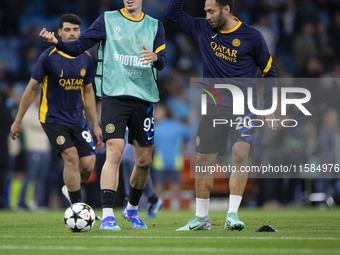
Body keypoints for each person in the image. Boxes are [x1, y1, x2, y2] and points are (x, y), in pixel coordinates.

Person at [39, 0, 166, 230]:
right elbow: (77, 47)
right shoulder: (107, 20)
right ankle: (108, 216)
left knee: (144, 162)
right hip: (114, 97)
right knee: (114, 153)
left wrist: (156, 59)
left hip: (144, 98)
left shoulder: (155, 25)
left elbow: (163, 60)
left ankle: (132, 210)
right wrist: (56, 42)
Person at [167, 0, 277, 231]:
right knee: (204, 162)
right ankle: (201, 218)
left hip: (243, 107)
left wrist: (268, 106)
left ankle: (232, 215)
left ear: (226, 9)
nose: (206, 16)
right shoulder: (203, 28)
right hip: (214, 106)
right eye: (205, 11)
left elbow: (269, 72)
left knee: (239, 155)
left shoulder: (252, 36)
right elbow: (173, 14)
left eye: (211, 11)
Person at [10, 14, 102, 208]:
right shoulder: (47, 58)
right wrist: (18, 120)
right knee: (71, 157)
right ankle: (78, 208)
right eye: (67, 30)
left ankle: (71, 189)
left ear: (80, 32)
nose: (72, 33)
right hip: (53, 119)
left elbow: (88, 93)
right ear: (59, 33)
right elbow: (30, 89)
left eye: (75, 29)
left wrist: (96, 125)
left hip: (79, 121)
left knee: (88, 165)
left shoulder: (86, 59)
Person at [17, 92, 51, 210]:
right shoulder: (27, 112)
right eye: (37, 97)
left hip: (45, 149)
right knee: (30, 177)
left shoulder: (41, 110)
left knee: (42, 178)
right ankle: (22, 203)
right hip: (33, 149)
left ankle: (40, 202)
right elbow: (42, 124)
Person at [152, 104, 190, 210]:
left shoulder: (155, 128)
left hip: (160, 161)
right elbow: (191, 133)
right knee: (175, 184)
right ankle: (175, 206)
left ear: (164, 113)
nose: (154, 115)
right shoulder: (177, 126)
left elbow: (151, 145)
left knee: (159, 184)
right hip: (175, 160)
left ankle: (156, 206)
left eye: (156, 112)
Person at [121, 130, 163, 219]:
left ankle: (130, 200)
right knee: (127, 161)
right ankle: (153, 199)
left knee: (131, 159)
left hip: (139, 123)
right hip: (125, 126)